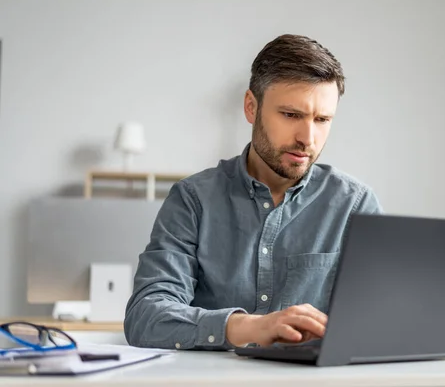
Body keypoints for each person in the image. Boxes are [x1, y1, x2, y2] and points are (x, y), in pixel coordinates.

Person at [124, 34, 382, 351]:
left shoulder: (356, 205)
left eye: (322, 119)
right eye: (291, 115)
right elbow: (145, 316)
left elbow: (380, 322)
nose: (308, 138)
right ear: (251, 107)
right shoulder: (193, 200)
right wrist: (246, 327)